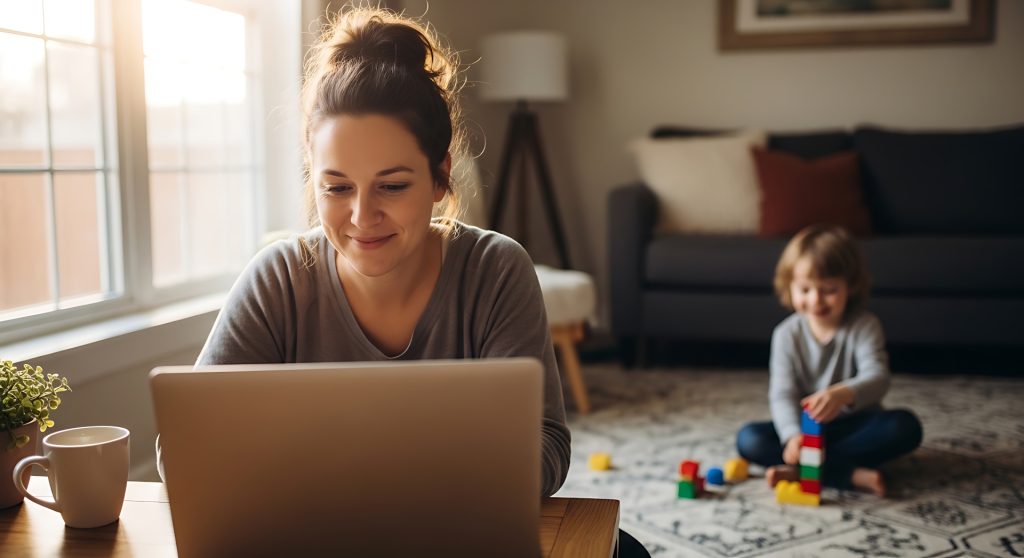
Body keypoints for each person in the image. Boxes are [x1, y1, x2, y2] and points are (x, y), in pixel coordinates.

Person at [155, 7, 571, 498]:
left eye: (391, 186)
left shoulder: (495, 270)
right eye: (337, 188)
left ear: (440, 177)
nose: (361, 216)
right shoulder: (278, 280)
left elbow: (545, 448)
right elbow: (183, 449)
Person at [735, 224, 923, 497]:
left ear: (851, 285)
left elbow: (878, 377)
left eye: (829, 289)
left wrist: (844, 394)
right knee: (749, 439)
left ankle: (804, 471)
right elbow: (782, 394)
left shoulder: (864, 325)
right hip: (806, 431)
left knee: (904, 427)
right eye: (805, 289)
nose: (816, 300)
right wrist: (793, 436)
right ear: (789, 287)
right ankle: (848, 474)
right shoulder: (785, 334)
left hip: (855, 425)